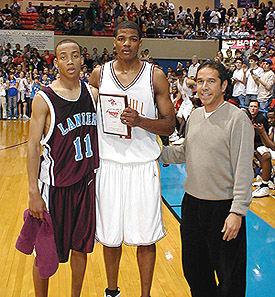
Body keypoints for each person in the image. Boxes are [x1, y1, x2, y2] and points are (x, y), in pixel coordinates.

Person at [89, 21, 175, 297]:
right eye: (121, 38)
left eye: (133, 39)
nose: (127, 43)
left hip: (142, 165)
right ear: (113, 41)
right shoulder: (98, 75)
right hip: (109, 164)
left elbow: (170, 125)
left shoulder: (155, 76)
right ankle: (111, 291)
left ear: (141, 42)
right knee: (110, 237)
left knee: (145, 236)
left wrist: (140, 121)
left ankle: (145, 294)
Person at [159, 60, 254, 297]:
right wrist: (153, 152)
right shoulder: (195, 115)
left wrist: (237, 211)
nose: (204, 87)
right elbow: (184, 152)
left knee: (229, 278)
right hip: (192, 205)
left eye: (211, 81)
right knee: (194, 270)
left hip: (223, 209)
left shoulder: (237, 119)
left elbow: (244, 168)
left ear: (223, 86)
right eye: (200, 81)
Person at [27, 39, 99, 297]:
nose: (70, 61)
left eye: (75, 55)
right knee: (45, 252)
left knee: (81, 248)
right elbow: (33, 146)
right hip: (54, 188)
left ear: (83, 59)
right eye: (64, 57)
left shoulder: (92, 93)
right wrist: (33, 191)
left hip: (85, 185)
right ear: (56, 62)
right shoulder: (43, 98)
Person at [253, 108, 275, 198]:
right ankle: (267, 178)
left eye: (272, 118)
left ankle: (265, 186)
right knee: (260, 149)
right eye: (268, 118)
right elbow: (267, 143)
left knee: (266, 155)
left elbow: (273, 147)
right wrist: (261, 133)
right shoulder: (272, 128)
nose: (269, 120)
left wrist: (263, 132)